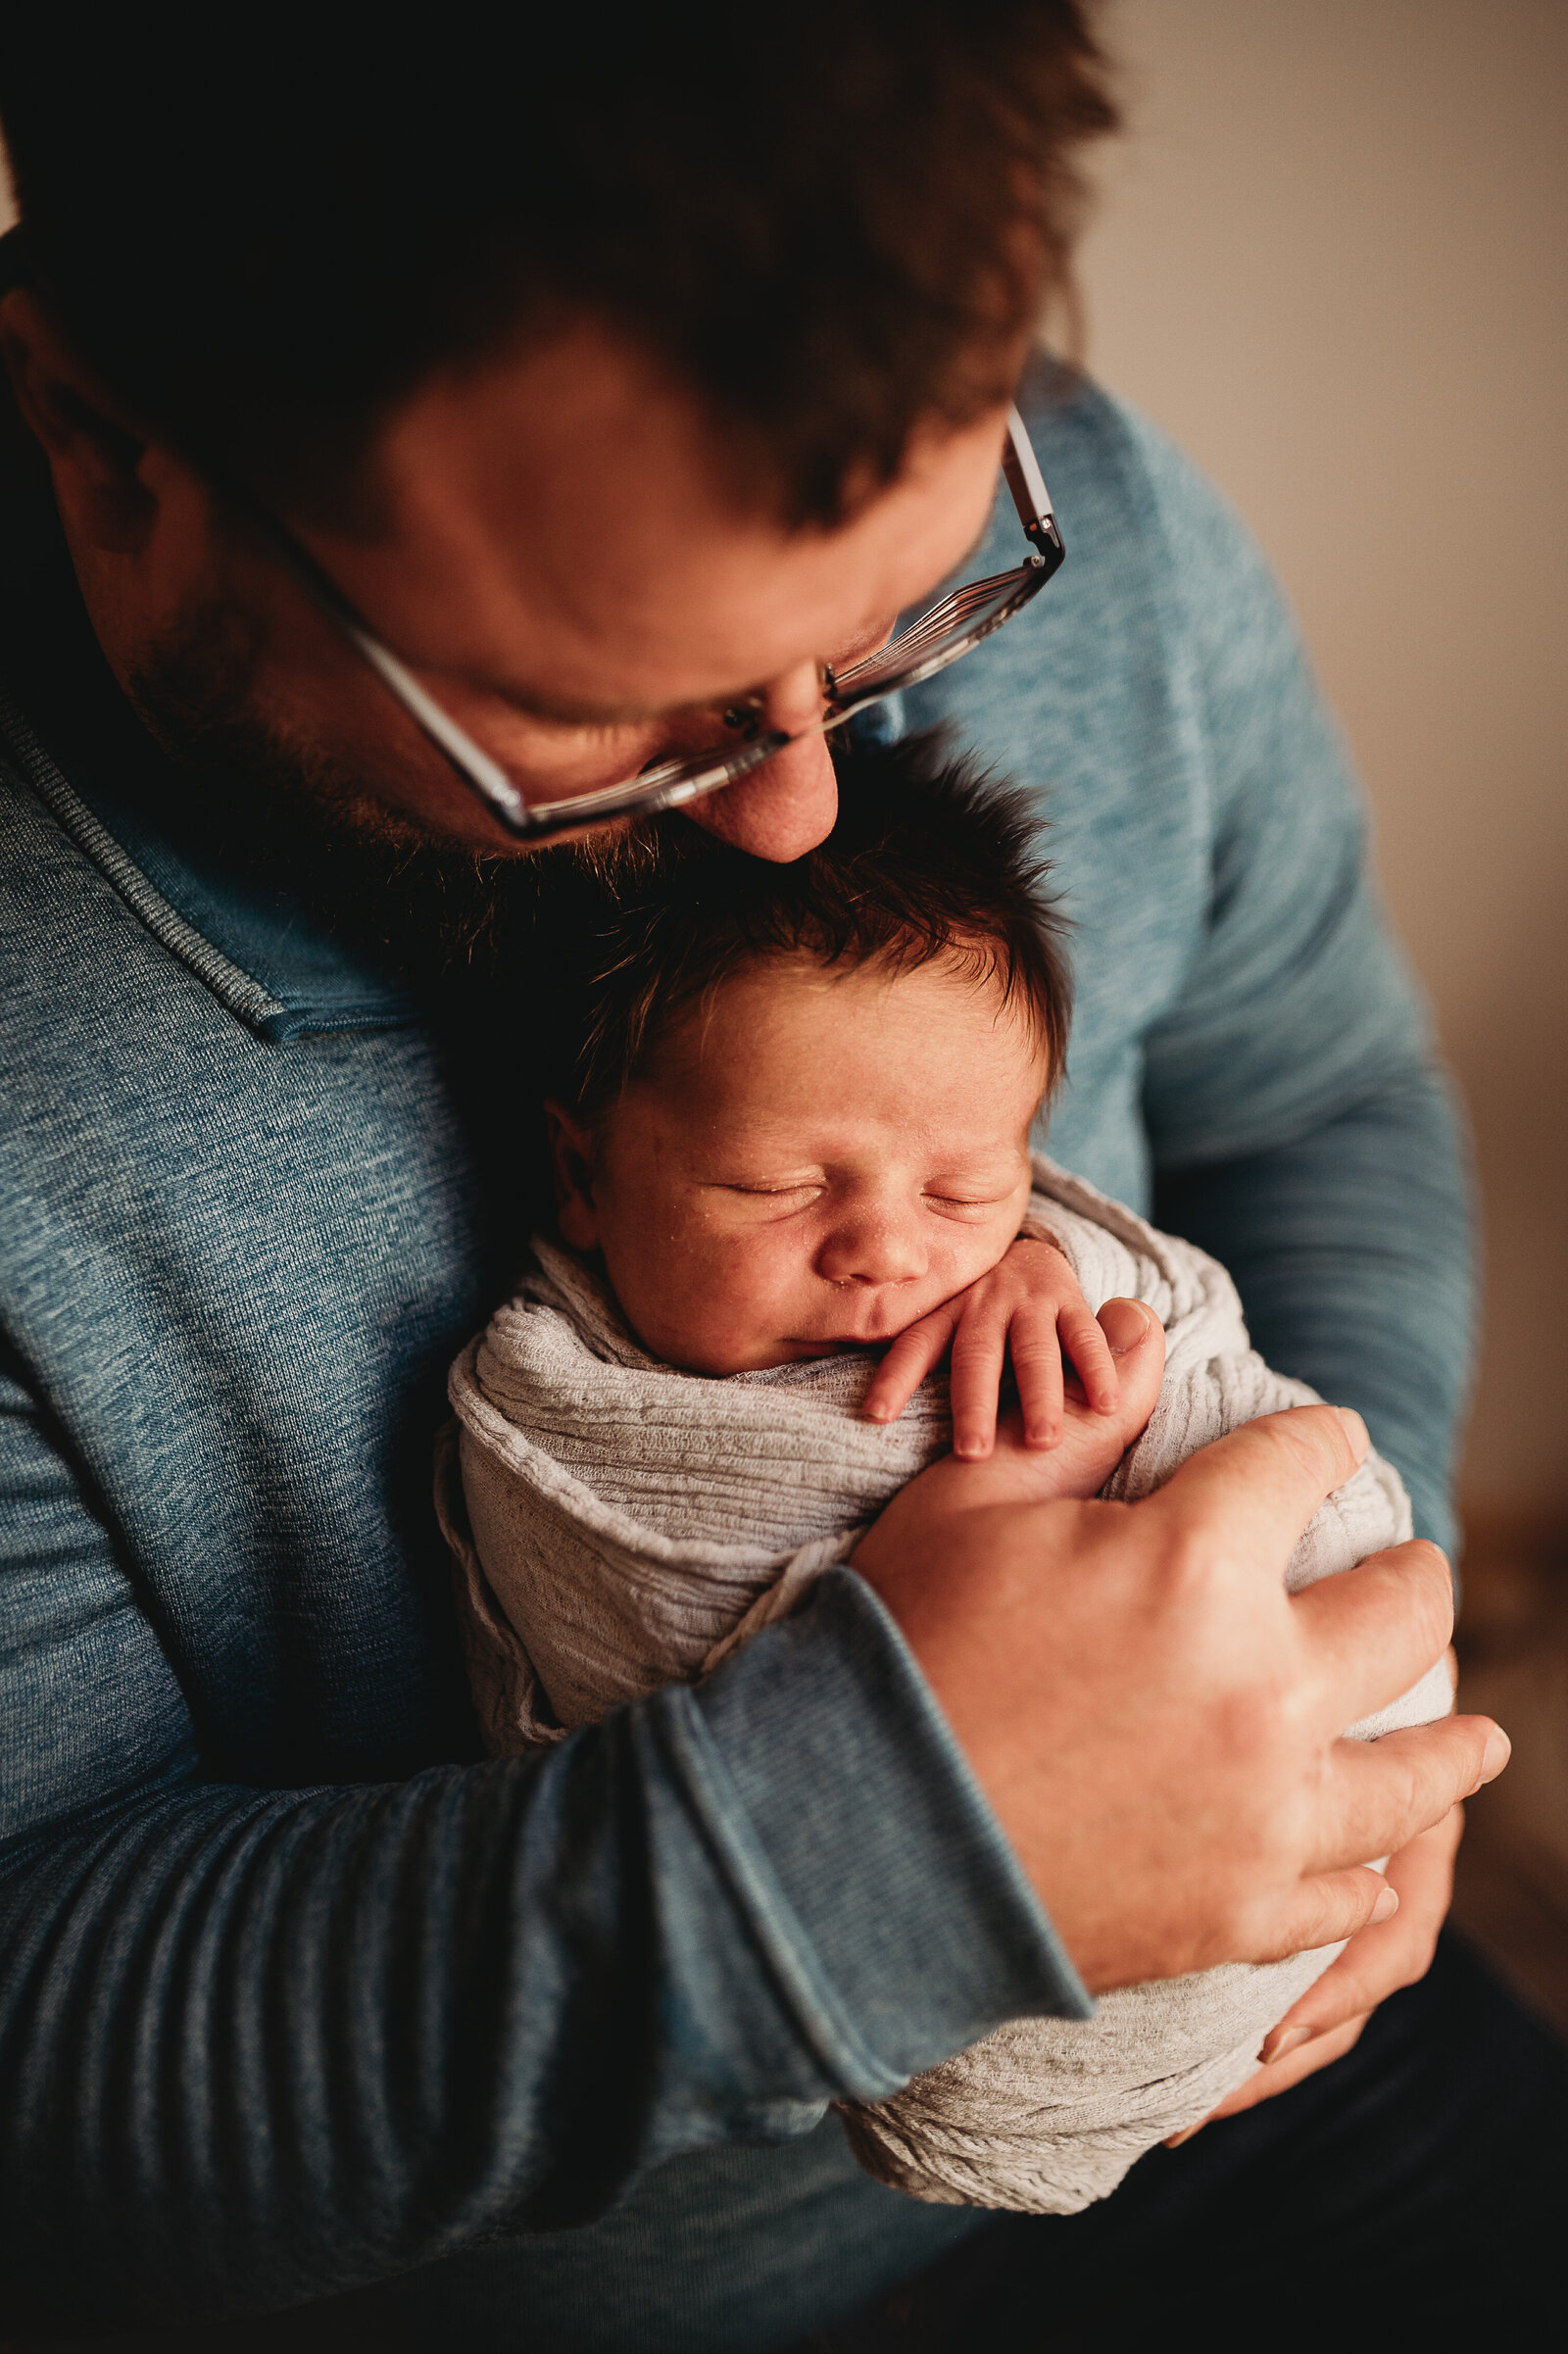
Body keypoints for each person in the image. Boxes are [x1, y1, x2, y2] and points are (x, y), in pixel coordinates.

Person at [0, 8, 1546, 2348]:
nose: (814, 798)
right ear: (112, 447)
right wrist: (898, 1848)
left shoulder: (1085, 517)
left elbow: (1307, 1089)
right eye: (601, 711)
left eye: (908, 613)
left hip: (1276, 2072)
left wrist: (1310, 1688)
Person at [442, 736, 1453, 2218]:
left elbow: (1285, 1178)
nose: (889, 1251)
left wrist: (1056, 1262)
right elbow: (626, 1659)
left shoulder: (1029, 1250)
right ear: (584, 1174)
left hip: (1352, 1903)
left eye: (963, 1188)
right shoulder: (562, 1410)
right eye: (780, 1187)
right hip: (772, 2152)